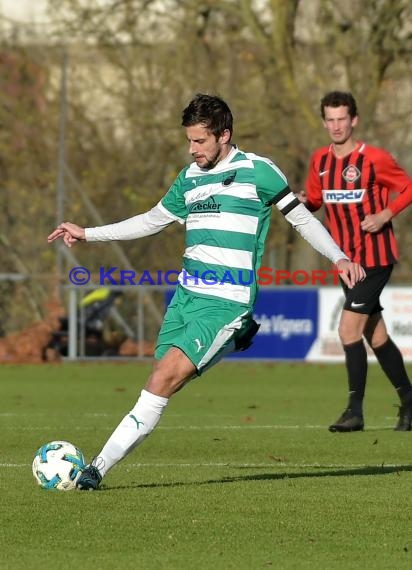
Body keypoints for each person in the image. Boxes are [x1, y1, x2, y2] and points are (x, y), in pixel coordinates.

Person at [48, 93, 364, 490]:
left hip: (225, 302)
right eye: (189, 141)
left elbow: (302, 220)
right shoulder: (189, 177)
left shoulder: (258, 171)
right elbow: (151, 221)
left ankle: (95, 471)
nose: (192, 149)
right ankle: (236, 339)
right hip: (185, 299)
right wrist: (88, 233)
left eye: (199, 141)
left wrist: (338, 257)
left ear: (224, 136)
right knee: (159, 379)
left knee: (162, 379)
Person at [302, 90, 412, 433]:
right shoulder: (320, 161)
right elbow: (316, 202)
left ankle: (354, 411)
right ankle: (410, 402)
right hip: (346, 262)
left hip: (375, 259)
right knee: (375, 335)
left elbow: (408, 187)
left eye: (342, 119)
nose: (336, 126)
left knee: (347, 329)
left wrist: (384, 214)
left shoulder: (374, 159)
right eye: (330, 120)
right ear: (324, 122)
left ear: (354, 120)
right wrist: (301, 202)